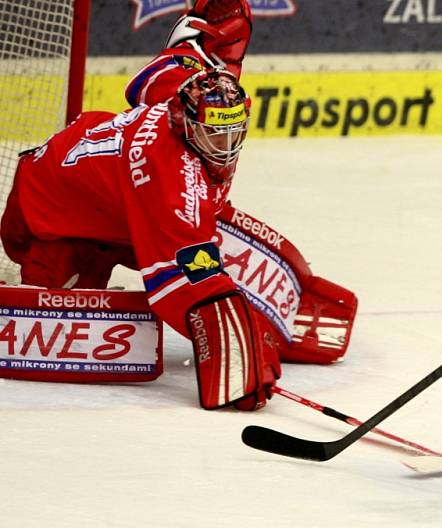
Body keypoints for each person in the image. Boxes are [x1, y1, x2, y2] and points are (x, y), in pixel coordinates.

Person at [0, 0, 356, 410]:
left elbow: (152, 76)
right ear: (186, 128)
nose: (224, 147)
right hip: (44, 218)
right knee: (54, 326)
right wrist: (236, 356)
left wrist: (220, 39)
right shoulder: (172, 181)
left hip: (102, 201)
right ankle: (52, 263)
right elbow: (183, 282)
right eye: (213, 137)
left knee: (202, 233)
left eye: (231, 134)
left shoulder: (185, 97)